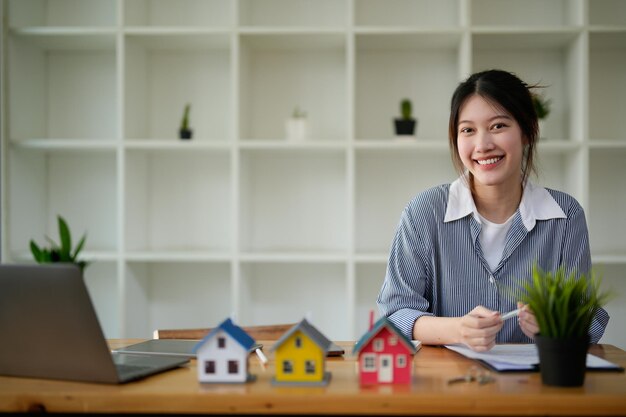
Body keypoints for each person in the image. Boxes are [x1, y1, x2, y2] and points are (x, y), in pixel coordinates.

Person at [377, 69, 609, 352]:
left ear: (527, 131)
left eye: (498, 126)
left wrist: (554, 322)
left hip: (536, 386)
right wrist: (458, 329)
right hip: (448, 385)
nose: (483, 145)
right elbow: (395, 313)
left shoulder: (565, 216)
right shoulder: (424, 212)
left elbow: (588, 321)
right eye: (468, 130)